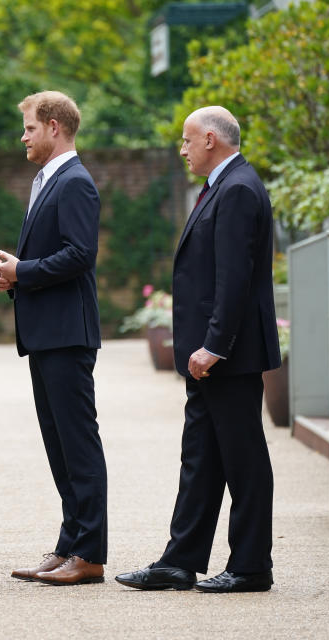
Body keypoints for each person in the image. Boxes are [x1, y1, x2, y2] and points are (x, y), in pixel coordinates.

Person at [115, 106, 280, 593]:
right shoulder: (224, 187)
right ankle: (179, 561)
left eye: (187, 141)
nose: (182, 150)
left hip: (228, 356)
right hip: (213, 358)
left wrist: (214, 347)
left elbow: (234, 281)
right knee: (201, 459)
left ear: (211, 139)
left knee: (243, 459)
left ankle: (251, 566)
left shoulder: (237, 190)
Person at [0, 91, 107, 586]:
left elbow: (80, 254)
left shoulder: (75, 182)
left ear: (55, 127)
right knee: (59, 446)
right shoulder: (47, 180)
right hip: (46, 335)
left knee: (78, 445)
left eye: (30, 128)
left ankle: (91, 555)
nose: (24, 137)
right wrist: (16, 275)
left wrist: (24, 271)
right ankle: (69, 545)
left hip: (66, 335)